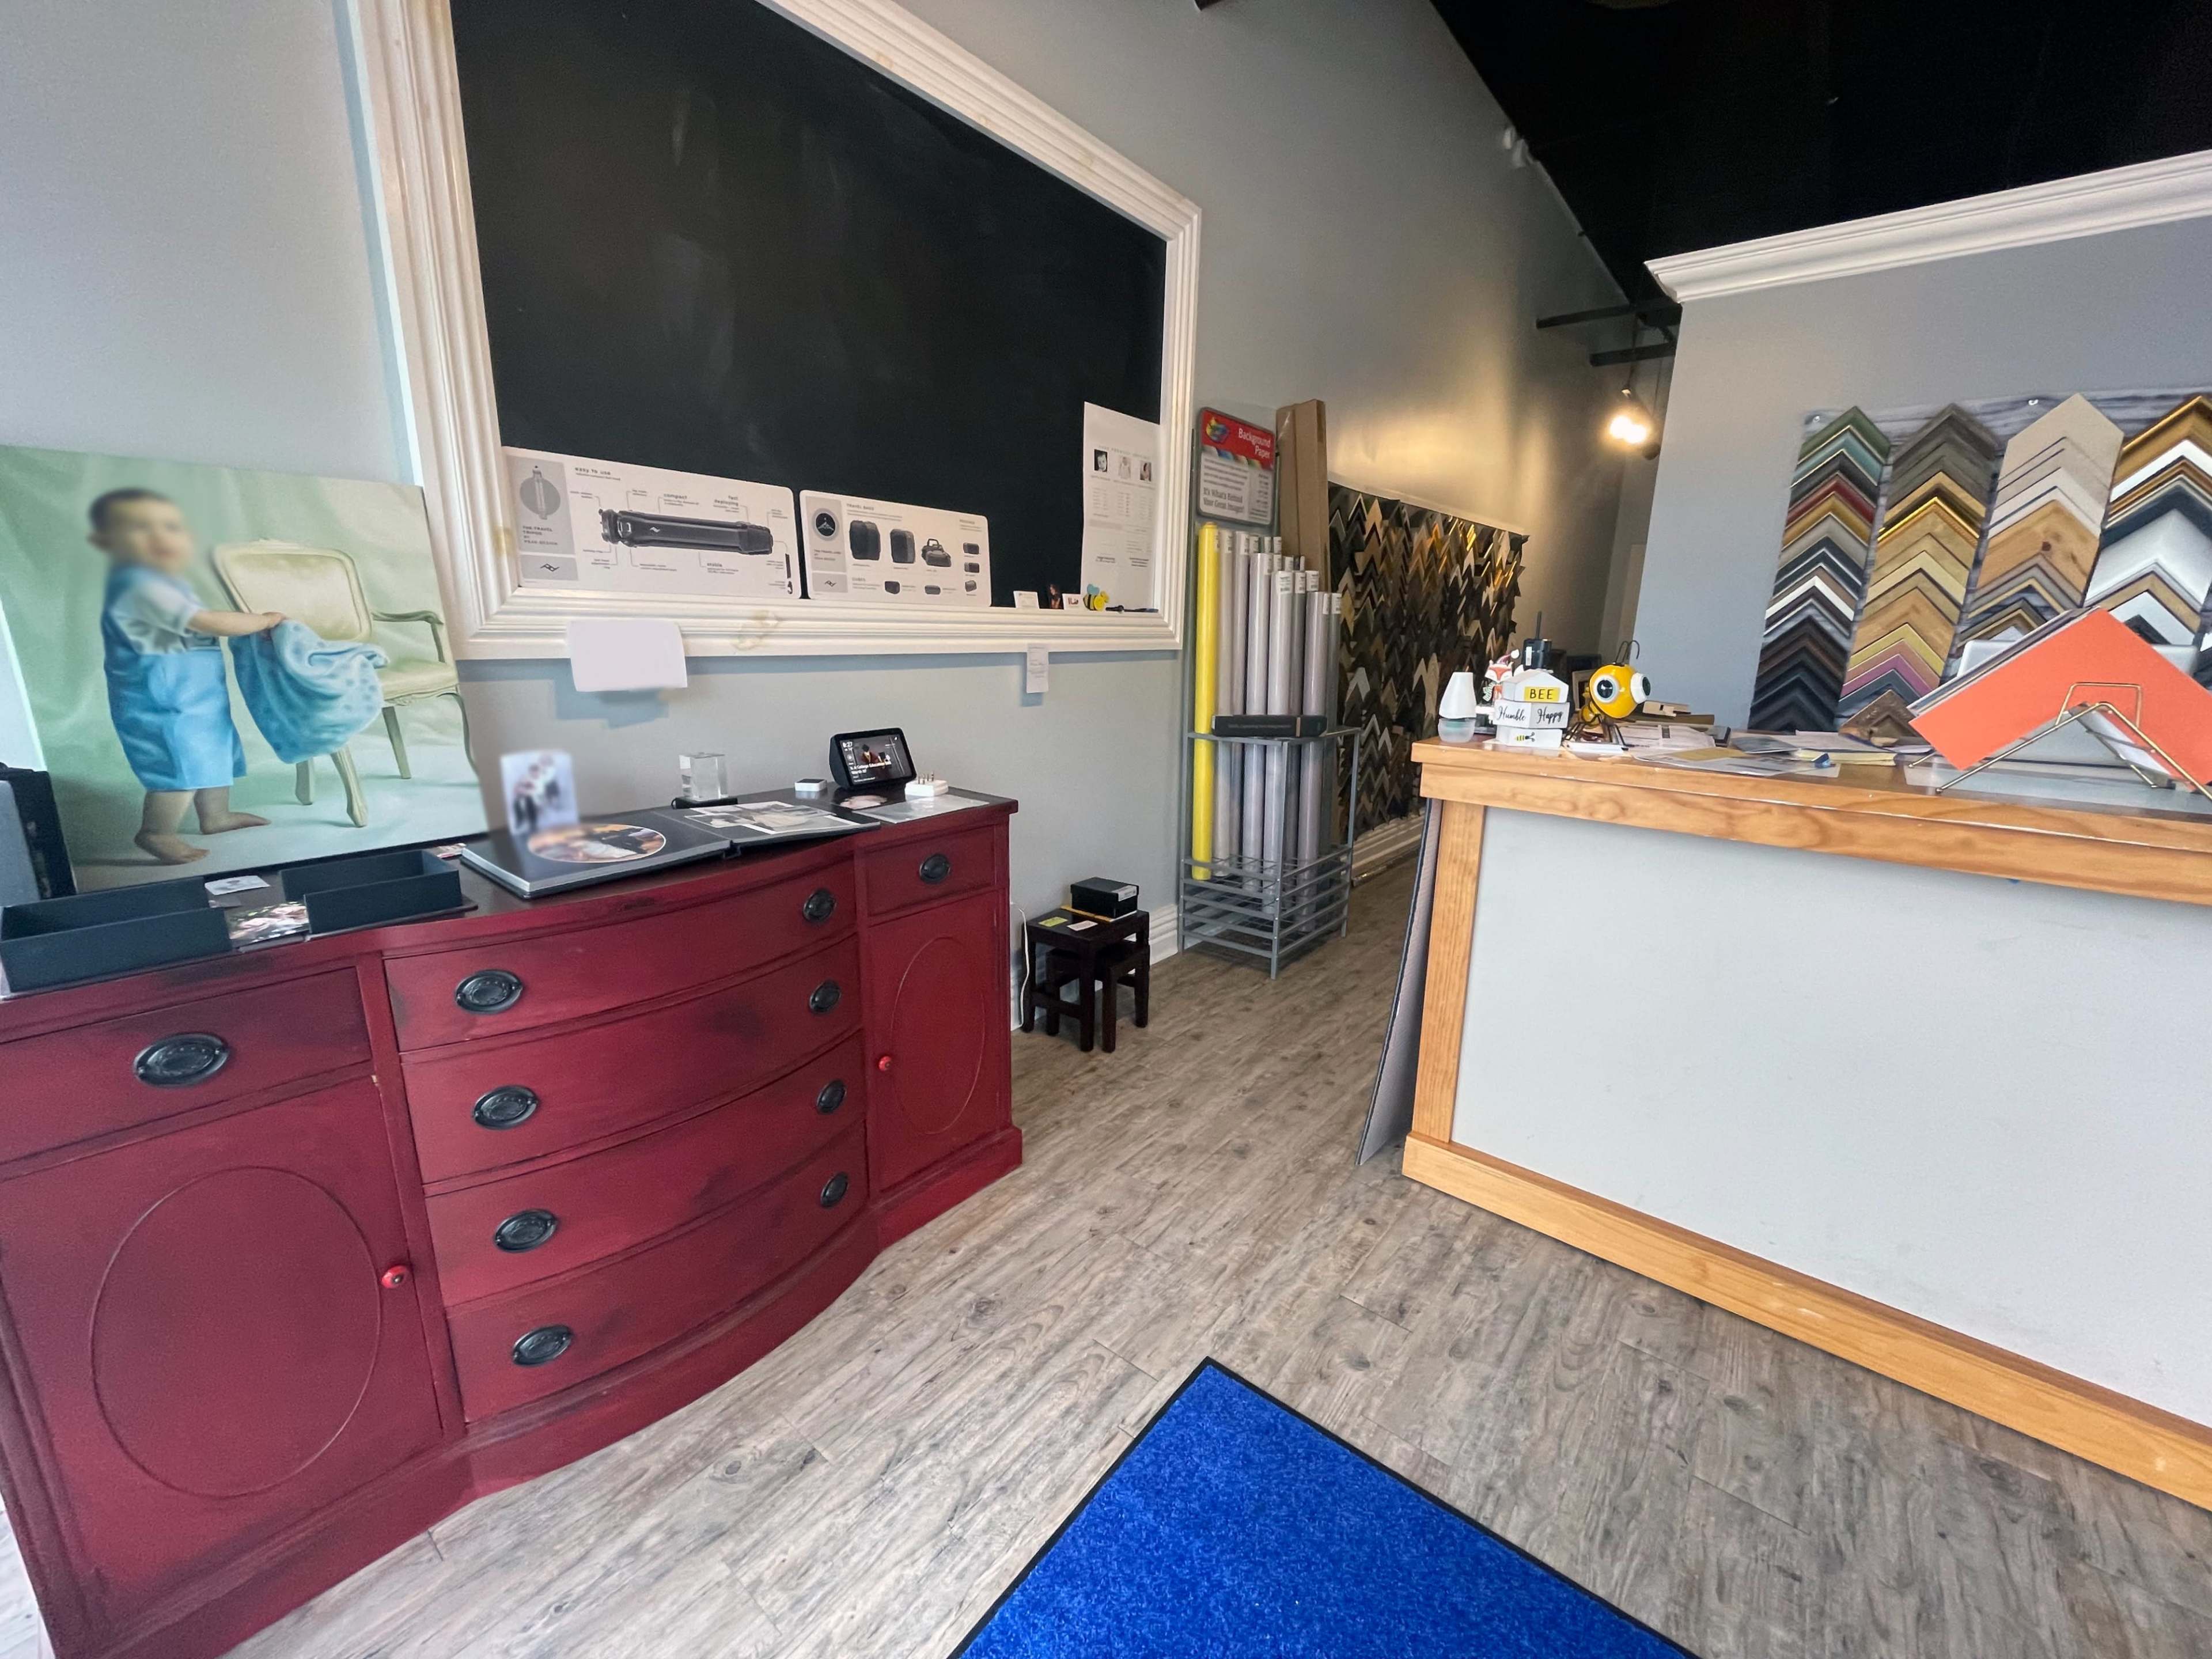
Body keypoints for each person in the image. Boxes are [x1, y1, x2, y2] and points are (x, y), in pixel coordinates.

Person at [89, 488, 282, 863]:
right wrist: (264, 620)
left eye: (170, 527)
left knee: (213, 754)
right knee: (180, 766)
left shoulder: (169, 585)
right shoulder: (138, 588)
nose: (159, 536)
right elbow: (205, 621)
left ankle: (216, 816)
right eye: (139, 528)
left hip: (197, 697)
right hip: (163, 703)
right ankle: (157, 832)